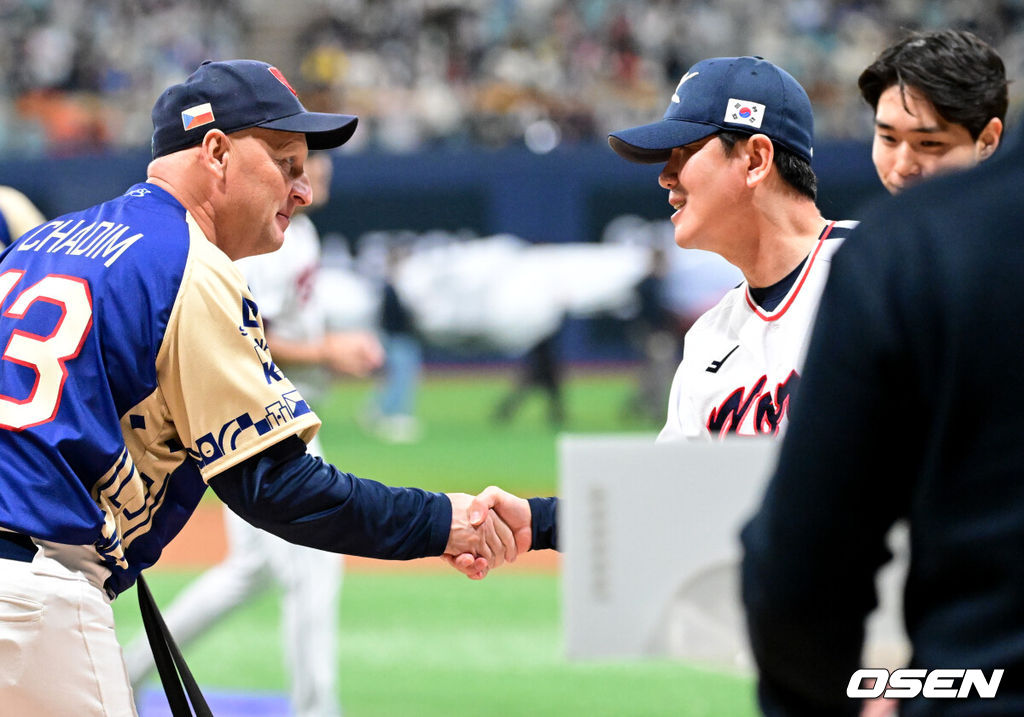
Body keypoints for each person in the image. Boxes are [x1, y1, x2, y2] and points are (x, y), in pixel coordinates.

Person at [0, 59, 520, 716]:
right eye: (285, 161)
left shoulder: (40, 241)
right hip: (36, 596)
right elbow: (279, 489)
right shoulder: (187, 262)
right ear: (215, 151)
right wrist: (446, 521)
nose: (301, 189)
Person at [739, 116, 1024, 717]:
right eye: (889, 138)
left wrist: (833, 698)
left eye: (927, 142)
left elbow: (802, 565)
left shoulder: (916, 245)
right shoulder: (909, 246)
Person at [121, 152, 381, 716]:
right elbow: (247, 337)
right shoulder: (261, 241)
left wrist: (326, 352)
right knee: (314, 564)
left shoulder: (299, 235)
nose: (311, 180)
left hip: (280, 408)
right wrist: (327, 353)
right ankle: (317, 710)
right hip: (254, 416)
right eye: (296, 166)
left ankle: (129, 669)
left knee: (252, 571)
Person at [607, 55, 858, 441]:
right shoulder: (709, 336)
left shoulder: (884, 273)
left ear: (756, 160)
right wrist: (534, 506)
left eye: (684, 151)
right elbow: (668, 494)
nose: (665, 176)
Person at [858, 29, 1007, 196]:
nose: (903, 167)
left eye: (929, 143)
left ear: (987, 141)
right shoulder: (871, 221)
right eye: (888, 138)